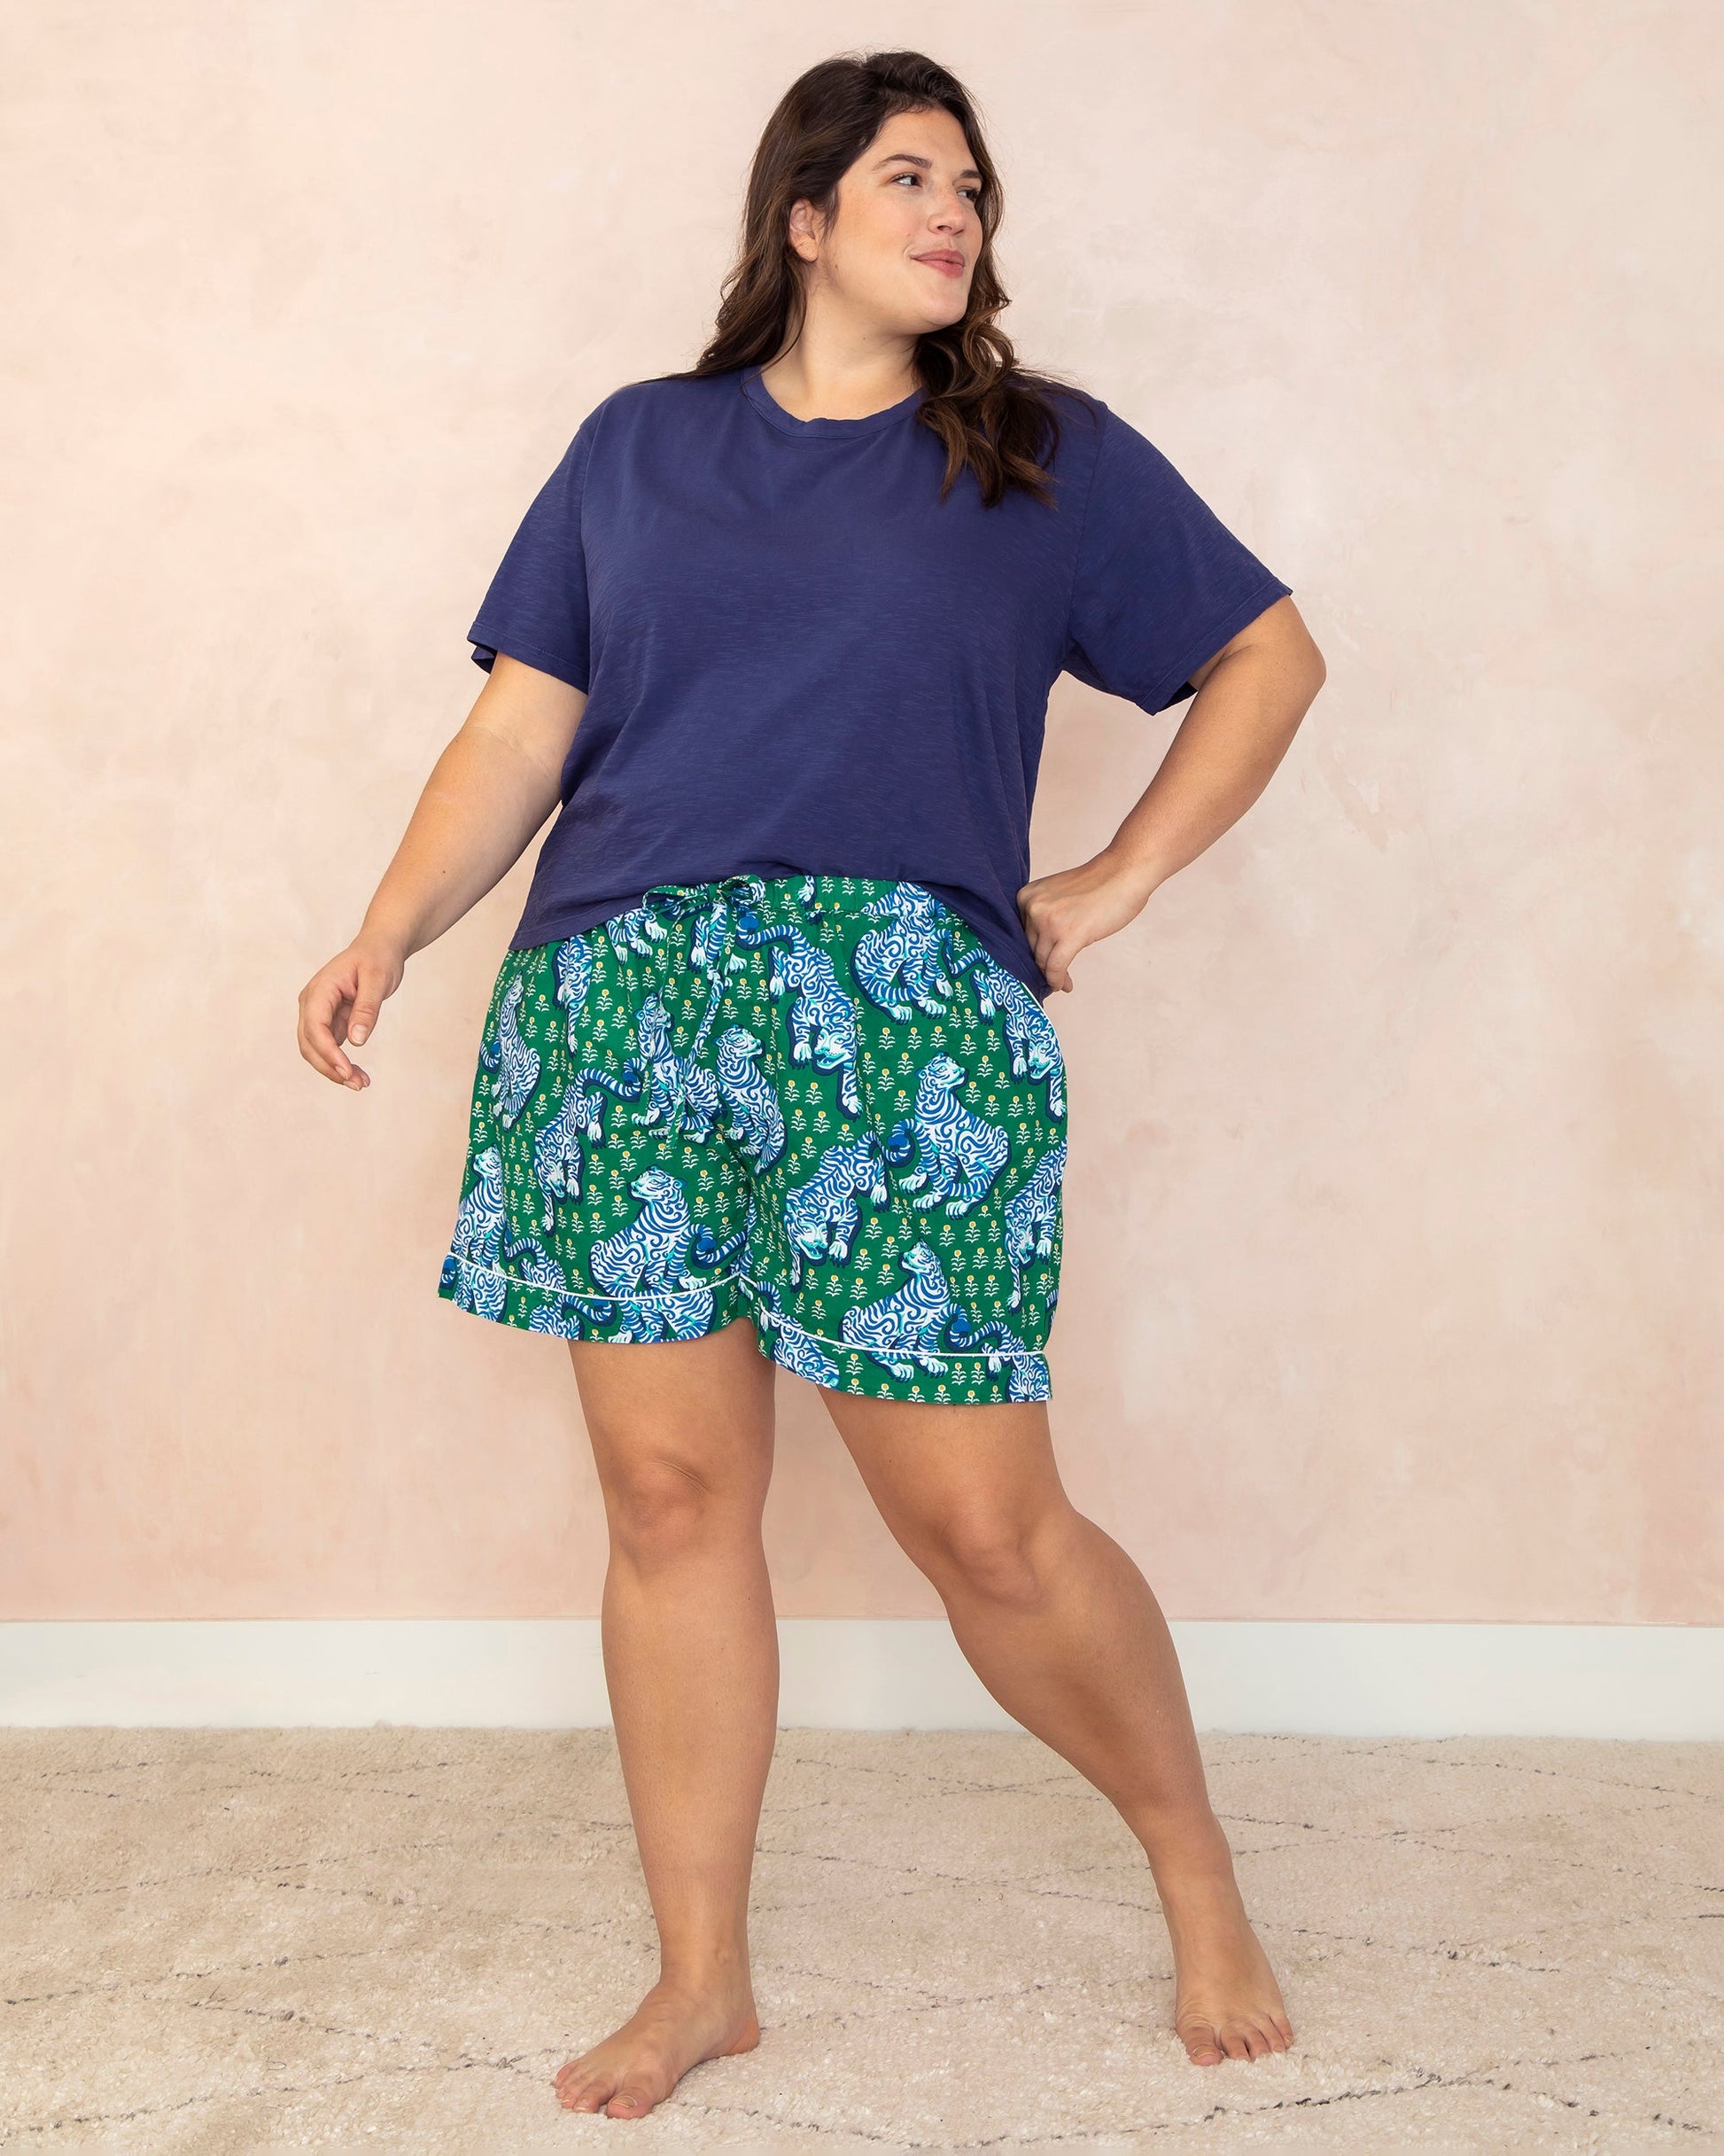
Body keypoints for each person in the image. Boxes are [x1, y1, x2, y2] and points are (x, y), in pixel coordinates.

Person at [297, 46, 1325, 2124]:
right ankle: (702, 1976)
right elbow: (520, 733)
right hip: (620, 1007)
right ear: (805, 218)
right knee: (671, 1502)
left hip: (902, 1019)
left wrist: (1114, 876)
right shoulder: (637, 447)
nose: (954, 214)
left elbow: (1269, 655)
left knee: (985, 1524)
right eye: (911, 178)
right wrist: (387, 928)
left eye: (971, 187)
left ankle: (1194, 1866)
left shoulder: (1037, 456)